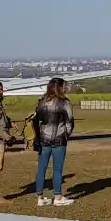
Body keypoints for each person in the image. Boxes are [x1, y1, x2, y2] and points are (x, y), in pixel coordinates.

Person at [32, 77, 75, 207]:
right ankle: (58, 196)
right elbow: (70, 122)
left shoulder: (41, 101)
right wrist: (66, 134)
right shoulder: (65, 102)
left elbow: (36, 119)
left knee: (41, 168)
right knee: (57, 169)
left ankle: (40, 197)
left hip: (43, 139)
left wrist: (39, 135)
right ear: (61, 88)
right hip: (59, 139)